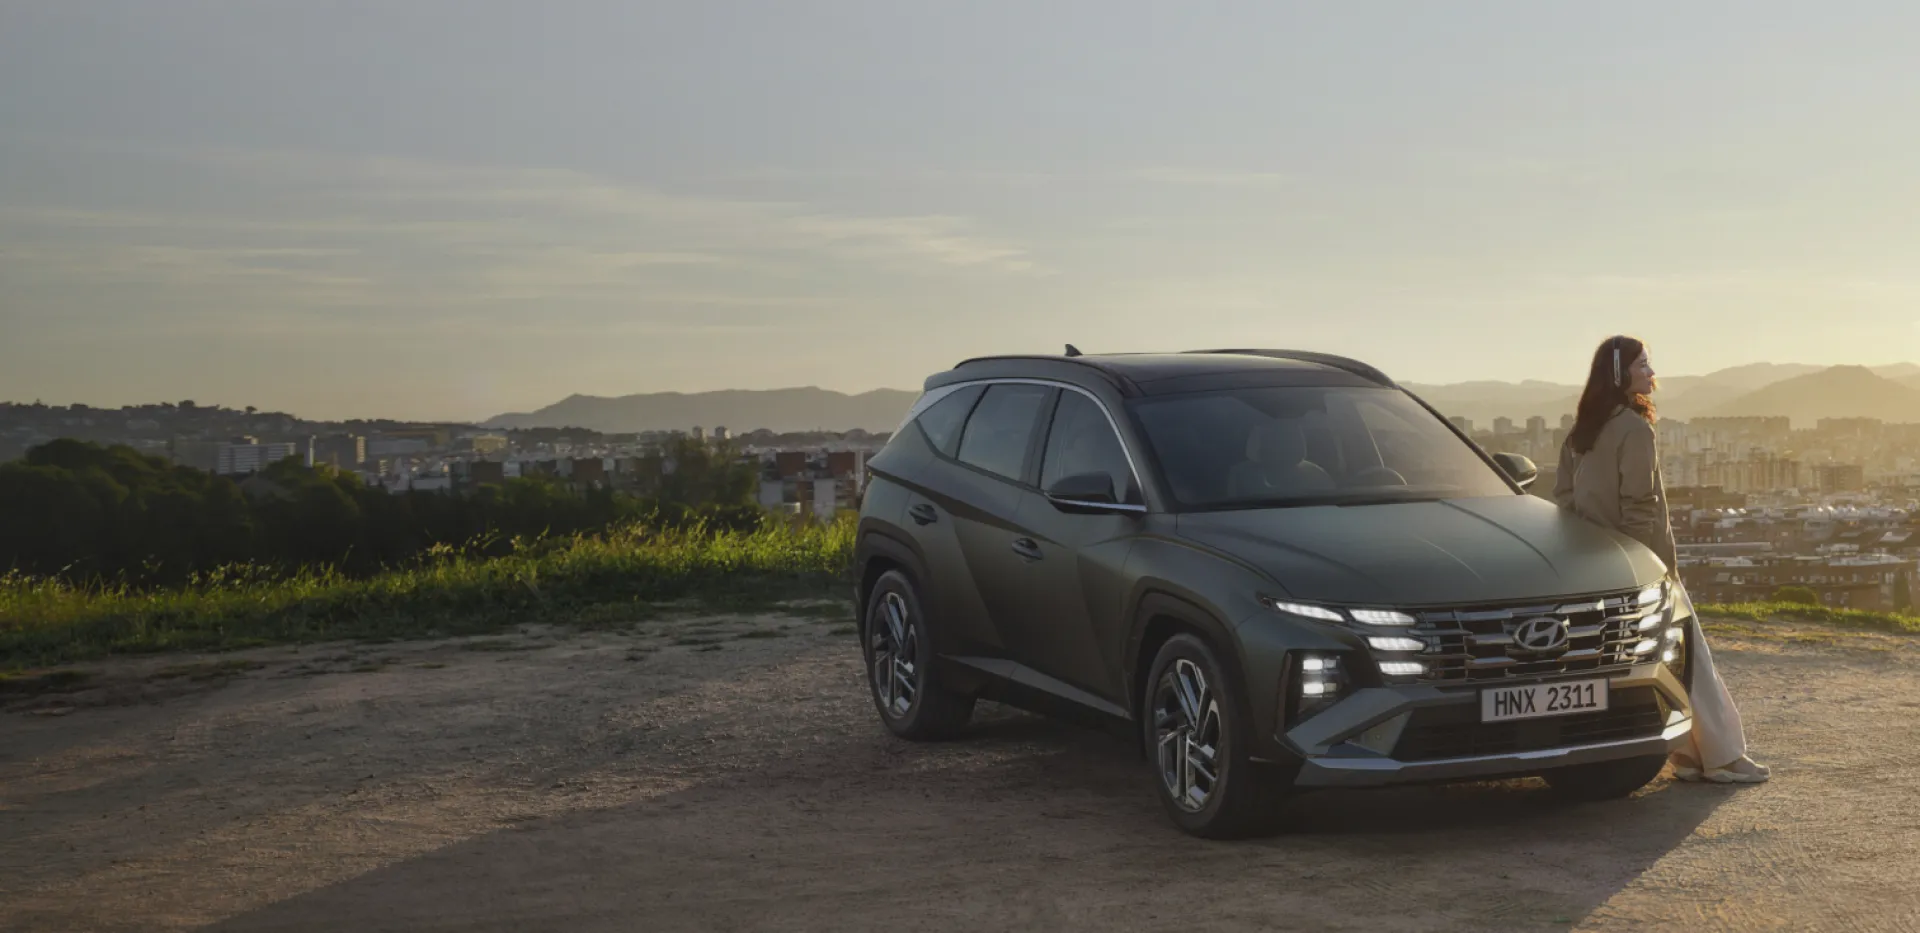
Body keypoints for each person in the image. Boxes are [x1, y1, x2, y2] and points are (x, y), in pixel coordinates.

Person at [1553, 335, 1770, 784]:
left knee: (1655, 659)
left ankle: (1689, 755)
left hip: (1595, 565)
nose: (1652, 374)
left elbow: (1564, 500)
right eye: (1643, 365)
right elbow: (1641, 504)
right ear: (1620, 374)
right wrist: (1642, 568)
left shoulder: (1580, 433)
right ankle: (1723, 757)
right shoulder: (1633, 429)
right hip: (1643, 563)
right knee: (1691, 657)